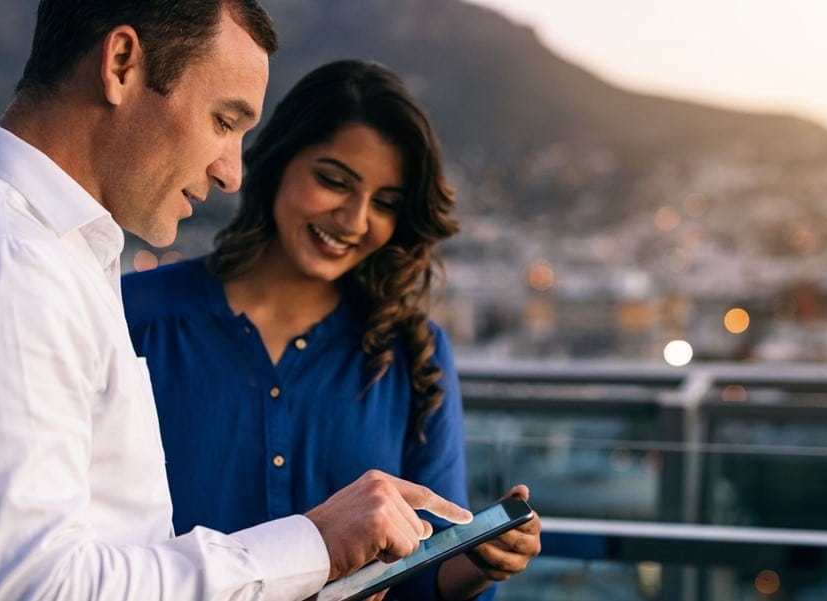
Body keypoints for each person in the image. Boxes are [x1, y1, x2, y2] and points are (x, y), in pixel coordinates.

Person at [0, 3, 472, 600]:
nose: (232, 172)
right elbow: (32, 589)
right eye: (224, 121)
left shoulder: (51, 262)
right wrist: (314, 546)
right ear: (121, 65)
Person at [122, 60, 541, 601]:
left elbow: (423, 578)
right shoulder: (135, 316)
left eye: (385, 204)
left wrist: (483, 560)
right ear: (278, 162)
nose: (354, 220)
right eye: (334, 181)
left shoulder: (414, 354)